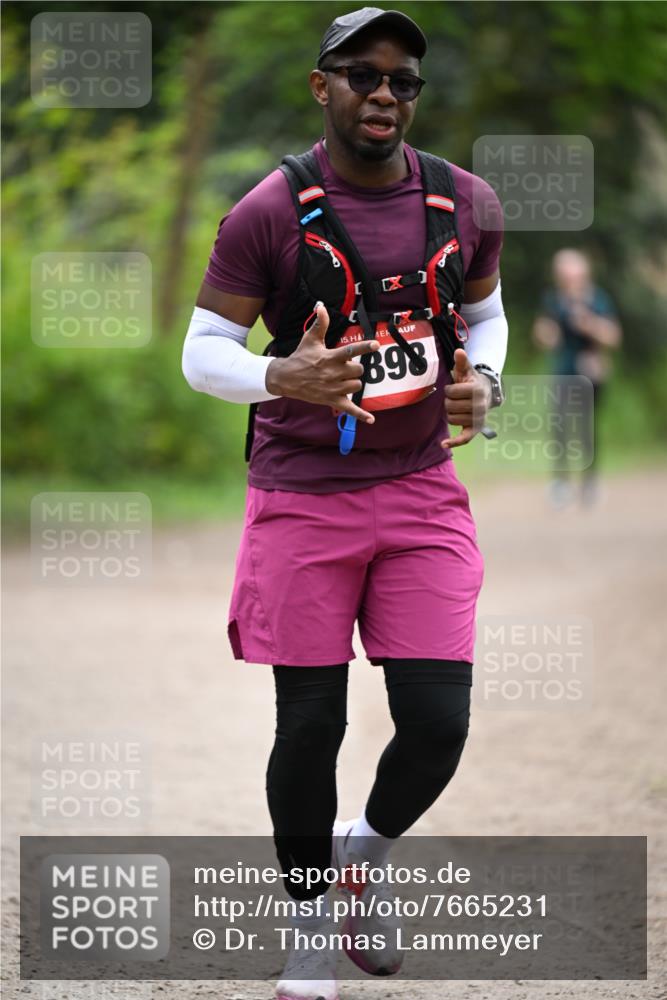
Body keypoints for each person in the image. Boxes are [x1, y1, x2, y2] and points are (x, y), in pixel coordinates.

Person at [182, 8, 508, 999]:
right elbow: (202, 354)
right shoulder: (266, 213)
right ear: (319, 85)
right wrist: (285, 377)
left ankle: (363, 851)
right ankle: (310, 938)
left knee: (436, 718)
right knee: (310, 723)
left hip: (419, 493)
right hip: (303, 498)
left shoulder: (465, 202)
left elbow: (486, 316)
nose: (382, 93)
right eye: (361, 74)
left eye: (402, 79)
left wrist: (484, 384)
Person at [532, 248, 622, 508]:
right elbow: (544, 331)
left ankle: (590, 481)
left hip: (590, 372)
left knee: (586, 429)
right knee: (560, 426)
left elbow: (613, 336)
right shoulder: (554, 299)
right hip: (562, 370)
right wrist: (546, 334)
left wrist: (589, 324)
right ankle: (560, 482)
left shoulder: (597, 299)